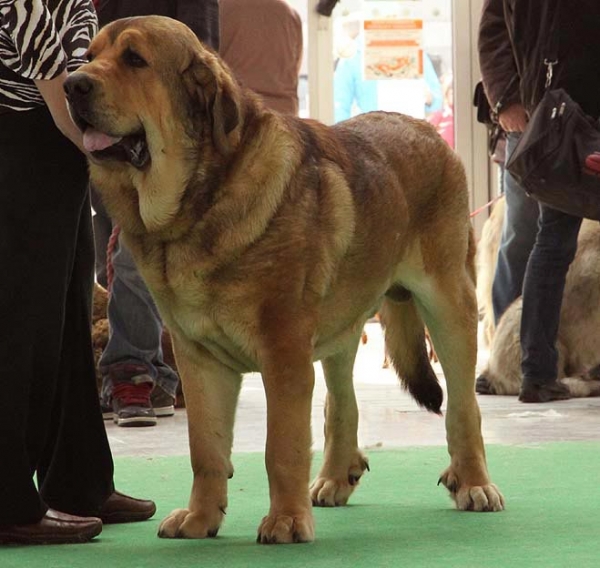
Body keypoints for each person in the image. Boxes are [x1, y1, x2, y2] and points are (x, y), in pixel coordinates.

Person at [0, 0, 155, 544]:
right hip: (20, 146)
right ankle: (11, 503)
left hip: (57, 155)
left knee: (66, 323)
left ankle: (79, 481)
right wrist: (132, 154)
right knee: (21, 329)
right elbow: (62, 100)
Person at [92, 0, 220, 428]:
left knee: (133, 260)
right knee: (125, 260)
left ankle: (140, 371)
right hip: (106, 137)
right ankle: (134, 369)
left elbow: (200, 50)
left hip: (166, 145)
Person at [478, 0, 600, 403]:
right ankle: (516, 365)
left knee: (548, 241)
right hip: (550, 120)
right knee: (531, 238)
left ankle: (534, 367)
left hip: (565, 113)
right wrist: (505, 101)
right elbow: (494, 30)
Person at [219, 0, 303, 115]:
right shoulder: (290, 13)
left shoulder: (220, 8)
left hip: (239, 115)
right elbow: (295, 68)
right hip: (285, 117)